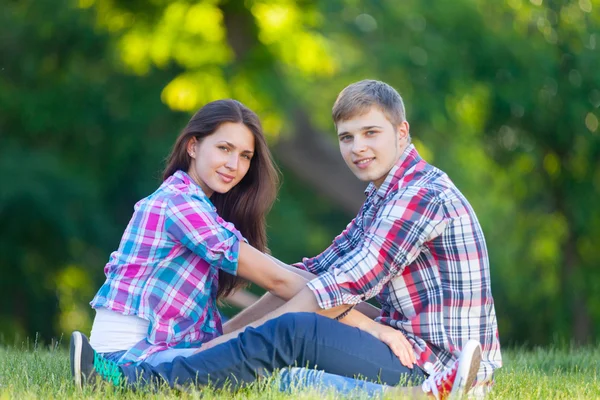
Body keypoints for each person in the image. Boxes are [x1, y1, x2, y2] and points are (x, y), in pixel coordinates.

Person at [72, 80, 502, 399]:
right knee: (289, 351)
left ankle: (135, 381)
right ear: (192, 146)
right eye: (347, 137)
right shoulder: (385, 194)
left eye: (371, 133)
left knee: (293, 329)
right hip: (411, 347)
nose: (357, 148)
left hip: (436, 360)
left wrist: (232, 345)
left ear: (402, 133)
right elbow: (316, 271)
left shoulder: (420, 196)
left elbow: (343, 285)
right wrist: (224, 345)